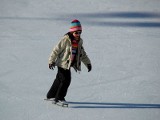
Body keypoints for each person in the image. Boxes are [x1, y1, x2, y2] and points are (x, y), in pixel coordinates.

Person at [46, 19, 92, 103]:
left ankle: (51, 95)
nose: (78, 34)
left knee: (59, 79)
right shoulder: (65, 40)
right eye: (76, 32)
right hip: (62, 64)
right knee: (66, 80)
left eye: (80, 32)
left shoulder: (79, 42)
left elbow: (82, 54)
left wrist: (88, 63)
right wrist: (51, 61)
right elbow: (56, 50)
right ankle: (59, 97)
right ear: (71, 32)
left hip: (68, 64)